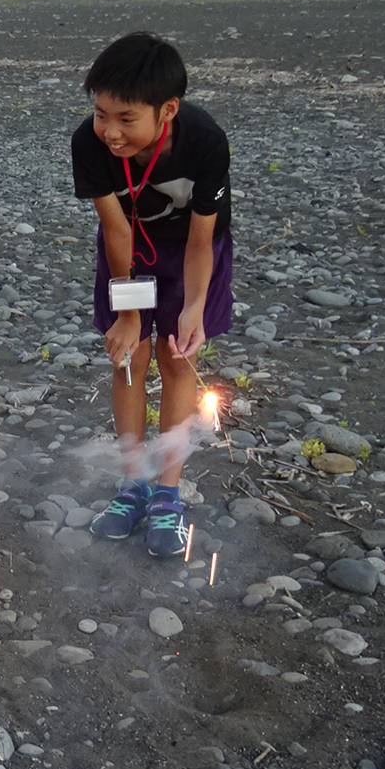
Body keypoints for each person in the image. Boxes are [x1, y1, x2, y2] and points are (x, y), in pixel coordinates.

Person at [73, 31, 234, 557]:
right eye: (101, 114)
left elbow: (202, 238)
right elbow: (117, 231)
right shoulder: (88, 143)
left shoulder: (205, 141)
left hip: (190, 248)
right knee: (128, 359)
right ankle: (132, 484)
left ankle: (167, 492)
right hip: (129, 252)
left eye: (126, 119)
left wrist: (193, 306)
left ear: (167, 109)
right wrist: (129, 314)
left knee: (178, 357)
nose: (110, 132)